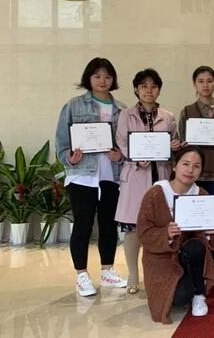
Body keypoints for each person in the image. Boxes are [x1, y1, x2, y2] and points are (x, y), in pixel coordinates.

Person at [54, 57, 127, 296]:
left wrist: (120, 156)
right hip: (82, 176)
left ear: (113, 79)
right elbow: (62, 143)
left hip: (111, 175)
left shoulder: (122, 109)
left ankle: (107, 270)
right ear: (89, 78)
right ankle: (81, 275)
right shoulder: (73, 106)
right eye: (97, 76)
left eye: (107, 76)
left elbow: (127, 145)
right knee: (82, 225)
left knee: (109, 225)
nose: (103, 81)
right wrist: (69, 159)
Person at [114, 68, 181, 294]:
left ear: (159, 89)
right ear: (136, 89)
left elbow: (175, 142)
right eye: (144, 86)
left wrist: (174, 146)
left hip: (160, 174)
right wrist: (135, 156)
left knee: (161, 227)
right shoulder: (126, 115)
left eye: (153, 86)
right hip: (135, 175)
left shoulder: (168, 116)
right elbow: (122, 142)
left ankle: (157, 274)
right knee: (133, 227)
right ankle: (133, 274)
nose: (149, 90)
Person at [137, 146, 214, 323]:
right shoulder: (156, 193)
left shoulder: (201, 195)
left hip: (189, 256)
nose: (190, 170)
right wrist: (165, 233)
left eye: (196, 166)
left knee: (196, 246)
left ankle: (199, 294)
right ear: (174, 166)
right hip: (161, 260)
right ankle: (189, 286)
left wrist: (211, 232)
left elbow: (207, 239)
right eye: (185, 164)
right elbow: (143, 232)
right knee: (180, 298)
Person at [178, 66, 214, 197]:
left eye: (209, 81)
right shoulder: (187, 111)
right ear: (194, 84)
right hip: (193, 173)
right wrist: (183, 145)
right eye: (200, 81)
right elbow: (182, 138)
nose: (205, 85)